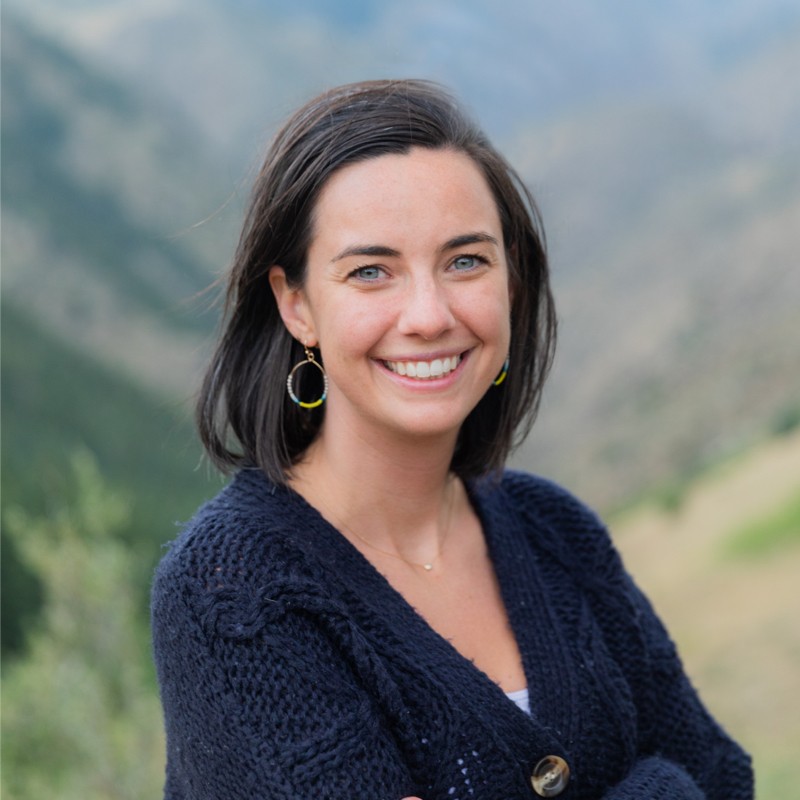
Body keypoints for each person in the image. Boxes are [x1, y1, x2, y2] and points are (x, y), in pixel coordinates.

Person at [151, 79, 753, 800]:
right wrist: (658, 787)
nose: (429, 315)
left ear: (512, 282)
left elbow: (725, 780)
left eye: (466, 261)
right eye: (371, 272)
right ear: (297, 303)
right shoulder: (234, 592)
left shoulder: (555, 531)